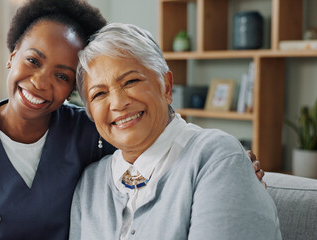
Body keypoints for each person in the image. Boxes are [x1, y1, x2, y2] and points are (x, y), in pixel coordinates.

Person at [0, 1, 264, 239]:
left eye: (62, 75)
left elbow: (156, 136)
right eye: (33, 60)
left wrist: (227, 157)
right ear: (12, 57)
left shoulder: (88, 131)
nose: (42, 82)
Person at [70, 23, 281, 239]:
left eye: (131, 81)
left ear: (167, 87)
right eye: (99, 94)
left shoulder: (215, 157)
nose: (118, 103)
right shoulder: (90, 183)